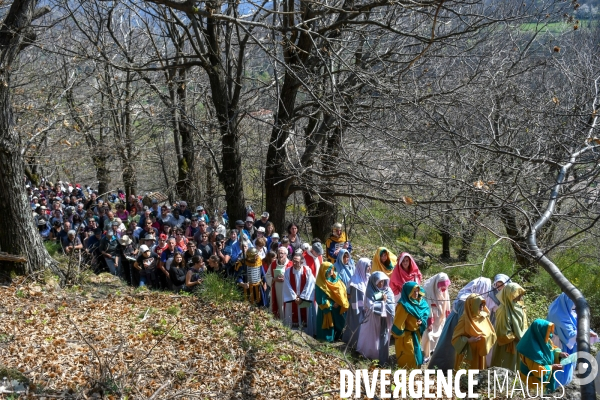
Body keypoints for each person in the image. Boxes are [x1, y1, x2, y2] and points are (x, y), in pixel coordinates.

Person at [428, 277, 497, 372]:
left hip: (458, 324)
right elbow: (467, 320)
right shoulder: (467, 300)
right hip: (458, 325)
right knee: (449, 349)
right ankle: (442, 369)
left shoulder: (474, 299)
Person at [547, 293, 598, 386]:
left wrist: (589, 331)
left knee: (567, 366)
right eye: (573, 303)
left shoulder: (567, 311)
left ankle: (564, 384)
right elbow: (569, 332)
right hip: (558, 343)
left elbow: (576, 323)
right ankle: (555, 386)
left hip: (567, 343)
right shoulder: (557, 314)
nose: (574, 306)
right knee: (559, 365)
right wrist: (585, 333)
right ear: (568, 301)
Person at [517, 319, 567, 395]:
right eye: (548, 331)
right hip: (531, 381)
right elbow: (537, 371)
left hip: (540, 381)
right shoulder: (530, 350)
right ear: (539, 332)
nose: (550, 335)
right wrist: (551, 367)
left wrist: (559, 354)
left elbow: (552, 349)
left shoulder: (544, 341)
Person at [356, 271, 395, 365]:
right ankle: (369, 354)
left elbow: (392, 303)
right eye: (379, 281)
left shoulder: (388, 290)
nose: (381, 283)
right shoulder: (370, 290)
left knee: (383, 336)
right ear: (374, 282)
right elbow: (370, 305)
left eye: (383, 281)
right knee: (371, 337)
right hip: (373, 319)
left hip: (385, 319)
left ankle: (382, 357)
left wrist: (385, 303)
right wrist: (383, 302)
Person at [451, 293, 496, 370]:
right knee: (466, 374)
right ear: (471, 305)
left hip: (479, 351)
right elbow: (455, 338)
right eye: (479, 304)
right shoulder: (464, 319)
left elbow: (491, 332)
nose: (482, 307)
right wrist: (468, 340)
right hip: (468, 352)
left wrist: (485, 338)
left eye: (483, 304)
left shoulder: (483, 316)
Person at [490, 282, 528, 371]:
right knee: (505, 367)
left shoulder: (518, 306)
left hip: (519, 343)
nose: (520, 297)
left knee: (517, 367)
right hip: (508, 346)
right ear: (509, 295)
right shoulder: (503, 310)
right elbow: (503, 332)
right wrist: (518, 338)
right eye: (517, 294)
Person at [392, 281, 430, 368]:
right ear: (408, 292)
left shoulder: (420, 302)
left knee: (416, 351)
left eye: (417, 291)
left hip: (416, 332)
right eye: (414, 291)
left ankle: (415, 368)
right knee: (409, 353)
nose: (416, 293)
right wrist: (400, 334)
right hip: (406, 335)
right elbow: (398, 321)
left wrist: (422, 320)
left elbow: (425, 311)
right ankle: (407, 371)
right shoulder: (404, 305)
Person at [315, 261, 349, 342]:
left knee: (339, 324)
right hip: (327, 309)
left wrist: (340, 301)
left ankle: (339, 337)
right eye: (329, 270)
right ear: (323, 270)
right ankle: (326, 342)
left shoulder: (335, 278)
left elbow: (341, 289)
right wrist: (332, 304)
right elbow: (320, 299)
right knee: (327, 329)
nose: (331, 271)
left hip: (337, 307)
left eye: (332, 269)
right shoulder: (320, 283)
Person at [421, 272, 451, 359]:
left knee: (439, 332)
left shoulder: (444, 289)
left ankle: (435, 350)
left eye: (445, 286)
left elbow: (447, 300)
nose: (443, 288)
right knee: (428, 333)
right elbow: (426, 306)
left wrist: (447, 314)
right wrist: (429, 322)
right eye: (441, 285)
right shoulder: (427, 289)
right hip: (431, 314)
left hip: (441, 315)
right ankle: (426, 352)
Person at [343, 258, 371, 347]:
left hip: (366, 309)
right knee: (356, 327)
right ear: (362, 267)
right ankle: (355, 344)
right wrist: (362, 309)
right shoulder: (355, 282)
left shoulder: (368, 277)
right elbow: (355, 299)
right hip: (358, 311)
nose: (369, 268)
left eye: (370, 266)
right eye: (367, 266)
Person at [283, 252, 316, 329]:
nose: (294, 263)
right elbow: (287, 285)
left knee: (306, 318)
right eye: (293, 261)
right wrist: (295, 297)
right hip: (293, 300)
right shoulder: (288, 271)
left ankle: (307, 334)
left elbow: (310, 285)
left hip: (304, 299)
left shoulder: (307, 270)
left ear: (301, 262)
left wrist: (302, 297)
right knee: (292, 317)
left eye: (297, 261)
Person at [266, 247, 292, 319]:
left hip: (287, 291)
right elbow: (267, 276)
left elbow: (295, 279)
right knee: (276, 306)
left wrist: (286, 279)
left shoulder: (291, 265)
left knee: (286, 308)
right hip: (276, 290)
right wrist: (274, 279)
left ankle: (287, 323)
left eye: (282, 253)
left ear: (286, 254)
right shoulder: (273, 264)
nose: (280, 255)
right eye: (279, 253)